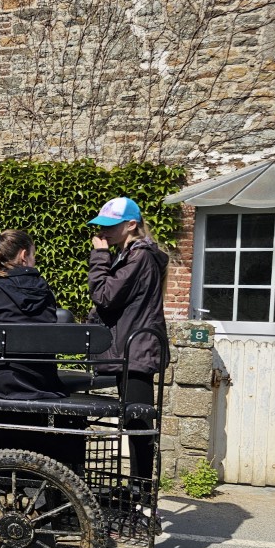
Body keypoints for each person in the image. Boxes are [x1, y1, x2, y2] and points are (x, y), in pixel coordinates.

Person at [87, 196, 169, 485]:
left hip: (137, 351)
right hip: (133, 350)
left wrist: (100, 256)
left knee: (138, 424)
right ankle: (138, 492)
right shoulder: (131, 254)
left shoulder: (139, 256)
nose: (103, 232)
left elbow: (105, 296)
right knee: (135, 423)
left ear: (131, 224)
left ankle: (141, 494)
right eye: (101, 226)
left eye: (110, 226)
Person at [0, 230, 66, 400]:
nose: (34, 259)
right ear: (24, 255)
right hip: (43, 381)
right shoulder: (46, 293)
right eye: (34, 255)